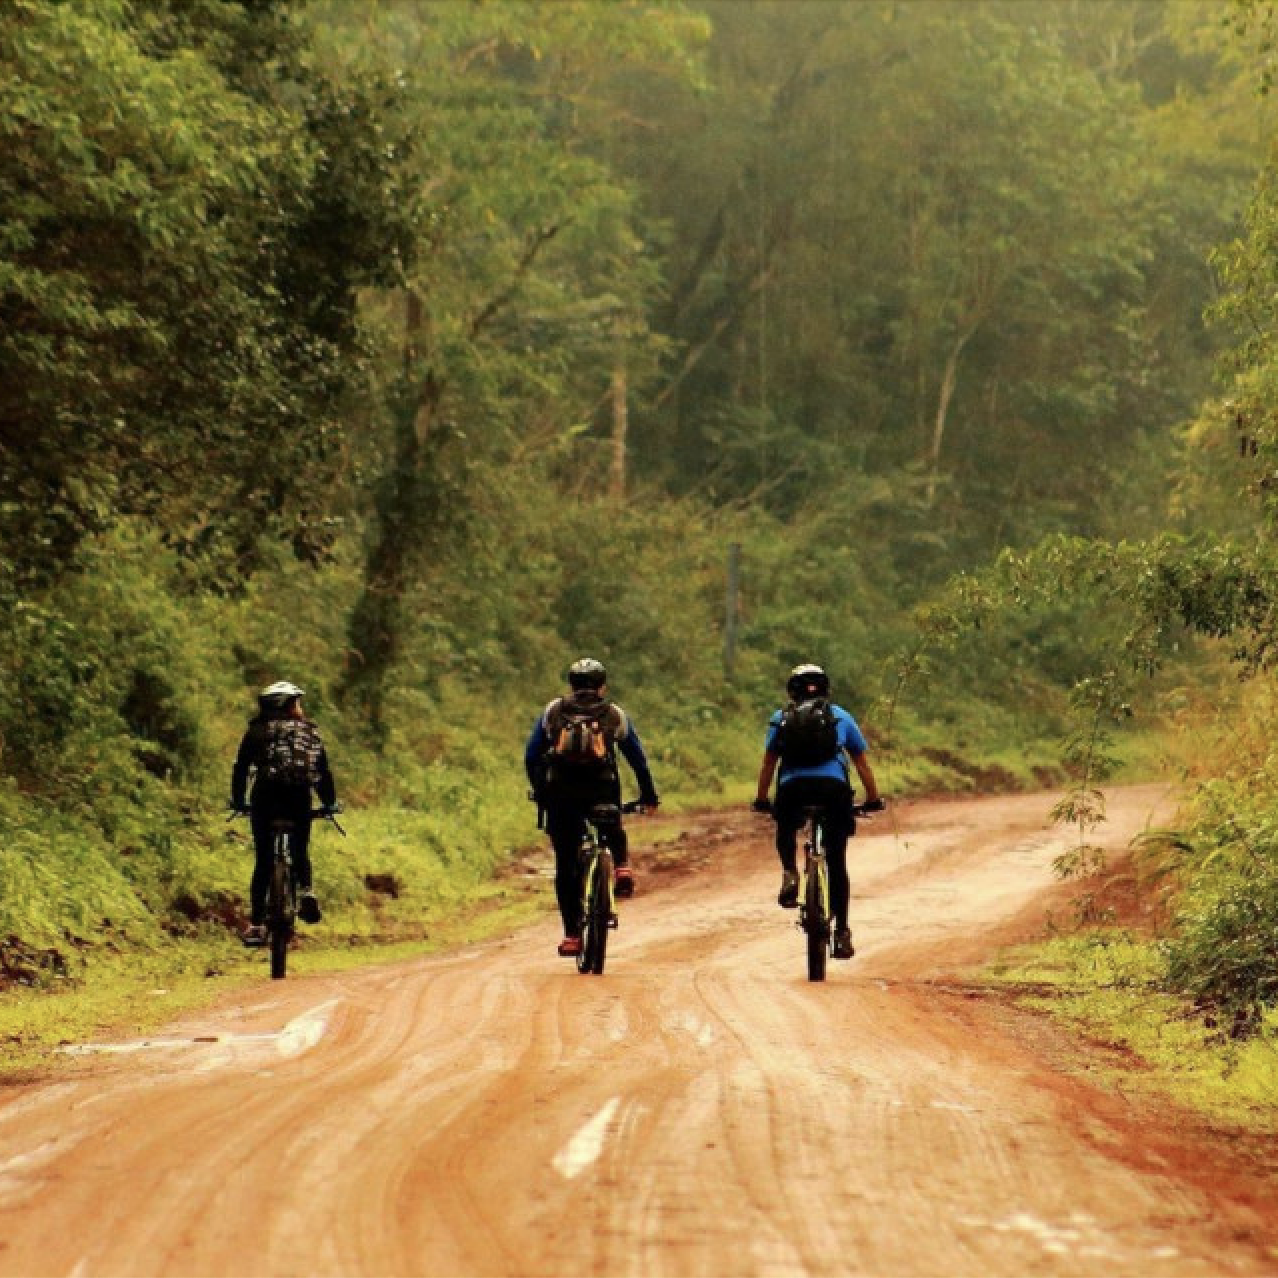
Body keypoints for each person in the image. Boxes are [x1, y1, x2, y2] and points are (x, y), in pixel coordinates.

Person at [525, 657, 660, 958]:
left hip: (561, 795)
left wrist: (541, 792)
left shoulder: (554, 711)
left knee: (565, 864)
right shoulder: (614, 715)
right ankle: (622, 866)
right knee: (612, 826)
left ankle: (572, 935)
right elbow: (637, 759)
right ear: (602, 686)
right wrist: (648, 795)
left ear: (571, 685)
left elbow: (532, 755)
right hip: (601, 790)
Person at [752, 663, 884, 960]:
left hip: (793, 789)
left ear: (792, 690)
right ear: (826, 687)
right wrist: (873, 798)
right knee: (837, 861)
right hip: (833, 790)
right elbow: (861, 763)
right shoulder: (842, 717)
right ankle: (843, 932)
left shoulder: (781, 718)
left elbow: (768, 765)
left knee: (785, 825)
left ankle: (789, 873)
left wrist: (762, 799)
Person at [230, 680, 339, 945]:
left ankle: (256, 925)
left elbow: (241, 768)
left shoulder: (256, 731)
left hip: (265, 799)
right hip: (298, 799)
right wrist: (329, 803)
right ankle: (306, 891)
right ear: (288, 706)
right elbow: (321, 771)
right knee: (300, 849)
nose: (300, 708)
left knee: (264, 859)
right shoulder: (308, 731)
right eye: (296, 703)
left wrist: (238, 801)